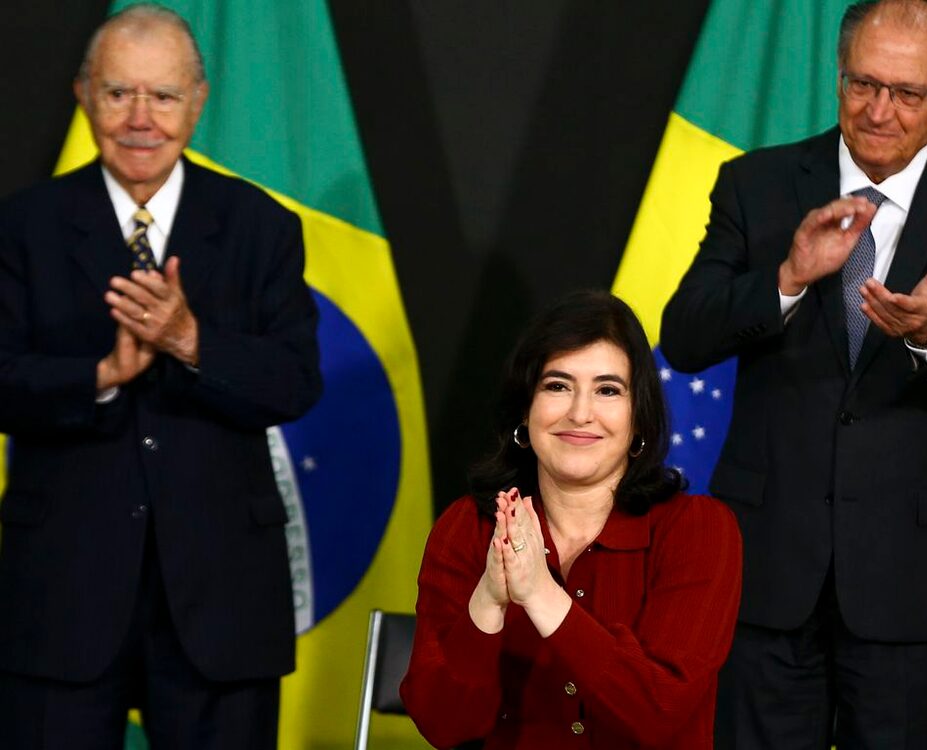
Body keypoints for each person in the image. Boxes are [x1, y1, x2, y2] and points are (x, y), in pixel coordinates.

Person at [660, 1, 927, 747]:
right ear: (839, 76)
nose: (878, 110)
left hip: (913, 584)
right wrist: (784, 279)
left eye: (905, 93)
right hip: (769, 573)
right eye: (862, 84)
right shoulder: (758, 184)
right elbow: (683, 337)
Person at [0, 4, 321, 749]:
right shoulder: (22, 227)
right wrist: (101, 374)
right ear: (84, 95)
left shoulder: (261, 226)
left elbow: (295, 382)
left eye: (164, 96)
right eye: (119, 93)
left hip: (221, 597)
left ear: (198, 102)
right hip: (62, 594)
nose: (141, 118)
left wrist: (192, 341)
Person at [401, 290, 742, 749]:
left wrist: (540, 593)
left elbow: (659, 712)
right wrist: (489, 600)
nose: (580, 414)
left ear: (638, 418)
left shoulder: (700, 530)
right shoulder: (470, 525)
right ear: (526, 411)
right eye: (557, 386)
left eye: (608, 390)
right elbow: (444, 727)